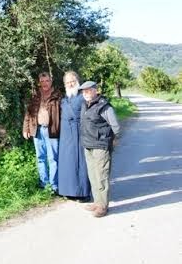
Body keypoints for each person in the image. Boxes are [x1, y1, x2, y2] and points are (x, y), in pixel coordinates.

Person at [79, 80, 120, 217]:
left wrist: (112, 140)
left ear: (96, 90)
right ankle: (97, 202)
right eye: (84, 92)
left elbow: (116, 127)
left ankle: (103, 206)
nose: (86, 93)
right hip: (88, 145)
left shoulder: (104, 106)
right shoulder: (85, 105)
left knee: (101, 175)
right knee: (93, 175)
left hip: (101, 146)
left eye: (89, 90)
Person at [23, 72, 62, 192]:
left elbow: (63, 114)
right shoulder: (35, 95)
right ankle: (43, 183)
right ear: (39, 82)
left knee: (53, 158)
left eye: (47, 81)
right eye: (42, 81)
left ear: (51, 81)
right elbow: (28, 113)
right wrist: (26, 128)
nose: (45, 83)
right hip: (37, 129)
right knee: (40, 157)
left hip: (52, 131)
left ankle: (54, 186)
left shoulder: (58, 95)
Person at [58, 71, 91, 200]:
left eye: (72, 81)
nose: (70, 84)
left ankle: (83, 193)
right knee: (68, 162)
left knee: (81, 162)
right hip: (66, 134)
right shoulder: (64, 99)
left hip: (79, 132)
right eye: (67, 82)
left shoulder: (83, 96)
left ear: (77, 81)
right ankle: (69, 191)